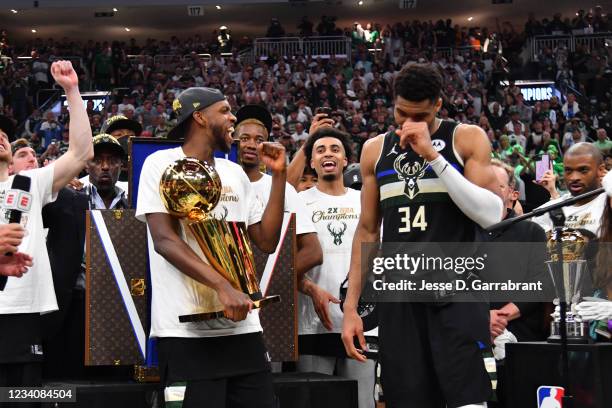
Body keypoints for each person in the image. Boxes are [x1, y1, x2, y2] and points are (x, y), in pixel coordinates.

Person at [342, 63, 503, 408]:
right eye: (401, 113)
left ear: (438, 106)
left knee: (468, 400)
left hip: (458, 292)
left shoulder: (466, 137)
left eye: (421, 116)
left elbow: (491, 214)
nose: (409, 124)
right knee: (407, 399)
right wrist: (351, 307)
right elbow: (368, 230)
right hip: (400, 297)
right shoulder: (374, 150)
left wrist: (433, 155)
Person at [136, 87, 286, 408]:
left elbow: (267, 241)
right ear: (200, 116)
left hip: (243, 329)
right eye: (225, 111)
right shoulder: (159, 164)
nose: (233, 118)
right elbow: (164, 240)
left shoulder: (234, 173)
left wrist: (280, 176)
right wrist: (222, 286)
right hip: (185, 333)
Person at [0, 61, 94, 404]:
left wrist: (71, 91)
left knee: (24, 400)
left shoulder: (28, 182)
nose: (1, 135)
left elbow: (82, 152)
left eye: (5, 134)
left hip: (24, 313)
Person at [297, 127, 376, 408]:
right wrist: (307, 287)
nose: (328, 153)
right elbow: (287, 263)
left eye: (335, 149)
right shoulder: (297, 202)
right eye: (320, 150)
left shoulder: (365, 200)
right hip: (312, 322)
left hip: (363, 320)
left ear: (345, 161)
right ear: (311, 163)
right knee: (315, 402)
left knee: (362, 401)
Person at [41, 134, 128, 379]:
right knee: (68, 379)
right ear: (86, 165)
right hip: (73, 303)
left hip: (118, 304)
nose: (105, 166)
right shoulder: (67, 195)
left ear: (121, 165)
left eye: (112, 160)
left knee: (114, 380)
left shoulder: (133, 202)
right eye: (97, 160)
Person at [235, 104, 322, 301]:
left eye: (259, 140)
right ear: (232, 141)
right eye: (244, 138)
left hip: (269, 301)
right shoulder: (221, 184)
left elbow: (313, 252)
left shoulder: (283, 189)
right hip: (226, 296)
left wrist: (270, 280)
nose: (250, 144)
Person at [532, 143, 606, 236]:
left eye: (583, 170)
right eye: (568, 170)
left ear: (600, 170)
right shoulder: (544, 213)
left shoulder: (608, 204)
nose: (574, 177)